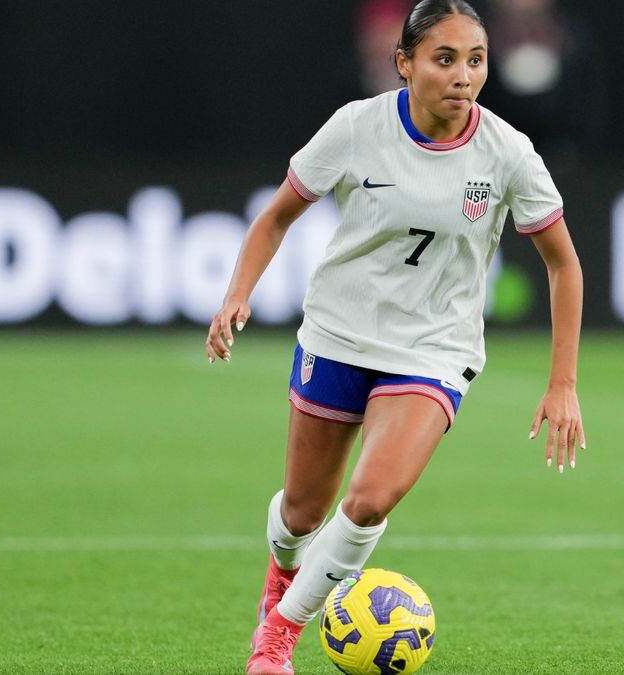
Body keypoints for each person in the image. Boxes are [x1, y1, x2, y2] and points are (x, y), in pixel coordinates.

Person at [204, 2, 585, 673]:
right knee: (301, 511)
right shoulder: (357, 128)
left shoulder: (507, 152)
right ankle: (281, 575)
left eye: (476, 59)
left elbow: (563, 263)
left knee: (372, 496)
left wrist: (562, 384)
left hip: (435, 351)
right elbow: (277, 217)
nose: (463, 75)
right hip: (339, 333)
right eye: (445, 59)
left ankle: (277, 636)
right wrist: (237, 294)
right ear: (404, 63)